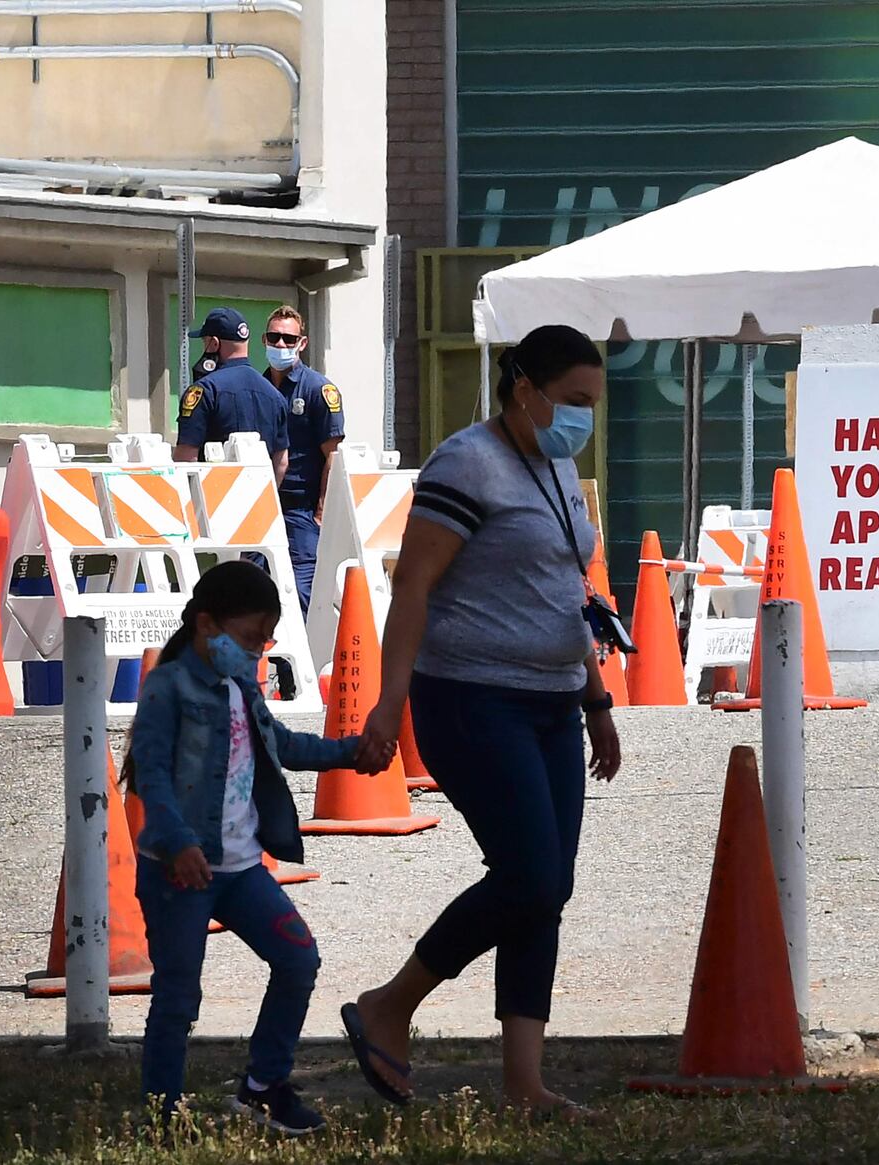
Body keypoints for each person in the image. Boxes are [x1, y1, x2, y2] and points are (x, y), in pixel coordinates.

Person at [345, 324, 622, 1117]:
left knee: (547, 890)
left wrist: (595, 698)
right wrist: (389, 702)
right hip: (472, 699)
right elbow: (415, 589)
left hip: (551, 704)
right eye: (573, 400)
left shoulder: (558, 465)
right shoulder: (466, 462)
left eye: (592, 405)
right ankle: (389, 1005)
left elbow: (568, 590)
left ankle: (524, 1083)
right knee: (531, 876)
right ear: (523, 388)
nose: (583, 419)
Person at [126, 560, 396, 1132]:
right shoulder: (168, 686)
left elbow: (283, 746)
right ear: (206, 625)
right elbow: (149, 775)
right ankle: (162, 1116)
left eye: (263, 640)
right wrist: (178, 844)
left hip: (242, 869)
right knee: (178, 999)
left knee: (298, 960)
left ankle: (262, 1087)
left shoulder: (241, 684)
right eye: (248, 639)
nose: (256, 651)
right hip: (180, 874)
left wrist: (352, 753)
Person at [261, 306, 344, 612]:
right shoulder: (260, 387)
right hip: (261, 506)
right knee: (254, 590)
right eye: (274, 337)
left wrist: (320, 512)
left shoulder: (318, 389)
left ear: (302, 343)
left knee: (300, 592)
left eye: (288, 338)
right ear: (264, 340)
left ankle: (304, 660)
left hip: (302, 509)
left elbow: (333, 456)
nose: (281, 345)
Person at [175, 306, 289, 485]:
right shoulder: (275, 395)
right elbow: (281, 462)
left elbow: (186, 459)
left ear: (214, 343)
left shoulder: (204, 391)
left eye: (205, 342)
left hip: (212, 503)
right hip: (260, 505)